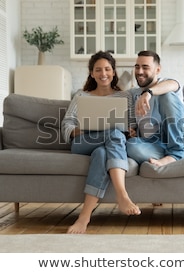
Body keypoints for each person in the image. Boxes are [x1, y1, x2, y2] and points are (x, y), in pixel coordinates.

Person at [61, 51, 141, 234]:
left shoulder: (125, 96)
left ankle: (84, 217)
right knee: (113, 133)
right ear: (91, 73)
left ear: (113, 72)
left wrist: (131, 130)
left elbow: (130, 124)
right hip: (83, 142)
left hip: (108, 144)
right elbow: (67, 124)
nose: (103, 73)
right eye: (98, 70)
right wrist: (87, 127)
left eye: (107, 69)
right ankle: (122, 195)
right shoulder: (82, 96)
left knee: (102, 153)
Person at [126, 50, 184, 167]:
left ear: (157, 70)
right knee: (131, 145)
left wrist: (148, 93)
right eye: (137, 67)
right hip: (157, 143)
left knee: (165, 94)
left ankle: (177, 153)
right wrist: (132, 131)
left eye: (145, 67)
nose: (140, 71)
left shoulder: (167, 84)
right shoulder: (133, 94)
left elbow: (172, 85)